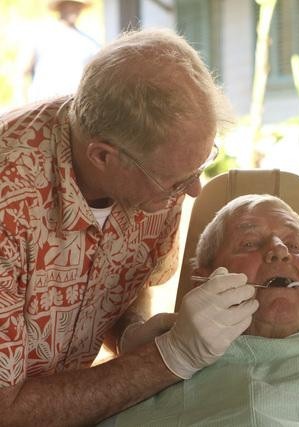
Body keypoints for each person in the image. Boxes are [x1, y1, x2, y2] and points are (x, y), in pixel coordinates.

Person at [0, 28, 257, 426]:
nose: (192, 191)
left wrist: (131, 334)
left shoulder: (154, 170)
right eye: (175, 181)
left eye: (200, 167)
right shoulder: (9, 202)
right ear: (103, 156)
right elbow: (7, 410)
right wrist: (167, 359)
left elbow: (123, 278)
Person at [101, 194, 299, 426]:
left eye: (294, 244)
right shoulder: (150, 376)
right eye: (249, 243)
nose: (280, 250)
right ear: (203, 279)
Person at [25, 0, 100, 102]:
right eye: (70, 5)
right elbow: (25, 70)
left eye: (77, 6)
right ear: (61, 7)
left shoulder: (90, 43)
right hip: (41, 103)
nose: (74, 10)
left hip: (73, 105)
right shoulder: (41, 36)